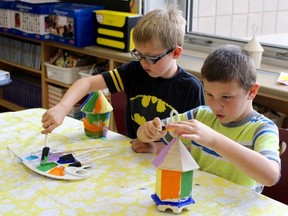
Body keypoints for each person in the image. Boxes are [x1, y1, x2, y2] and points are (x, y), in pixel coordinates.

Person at [41, 6, 205, 154]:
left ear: (175, 53)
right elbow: (88, 83)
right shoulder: (134, 71)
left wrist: (156, 147)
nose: (143, 63)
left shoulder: (190, 88)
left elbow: (194, 144)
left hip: (169, 161)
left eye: (151, 58)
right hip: (133, 153)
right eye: (139, 55)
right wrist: (62, 107)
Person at [137, 45, 281, 192]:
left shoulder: (262, 129)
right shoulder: (200, 115)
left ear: (252, 91)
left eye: (226, 97)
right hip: (203, 201)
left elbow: (270, 177)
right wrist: (149, 131)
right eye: (209, 95)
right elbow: (144, 133)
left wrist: (214, 140)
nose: (216, 106)